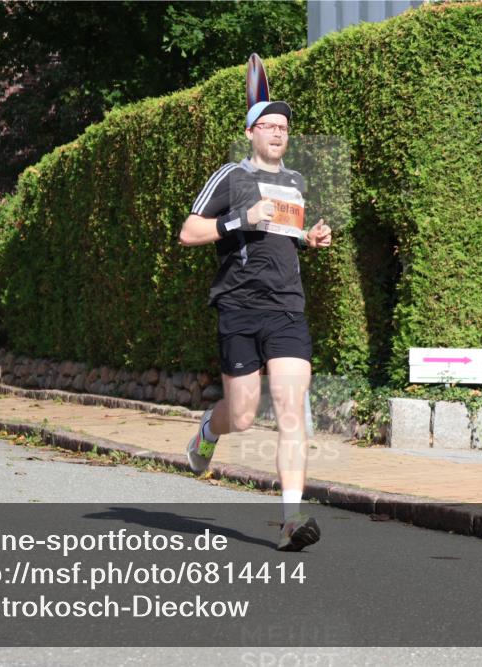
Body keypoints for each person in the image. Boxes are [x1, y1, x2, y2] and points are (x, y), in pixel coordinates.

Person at [178, 100, 332, 551]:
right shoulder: (230, 177)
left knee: (290, 409)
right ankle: (209, 430)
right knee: (242, 416)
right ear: (250, 133)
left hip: (286, 308)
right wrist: (239, 219)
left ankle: (291, 519)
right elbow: (189, 233)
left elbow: (281, 237)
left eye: (284, 127)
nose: (278, 133)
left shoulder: (295, 182)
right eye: (269, 126)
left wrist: (309, 239)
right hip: (239, 308)